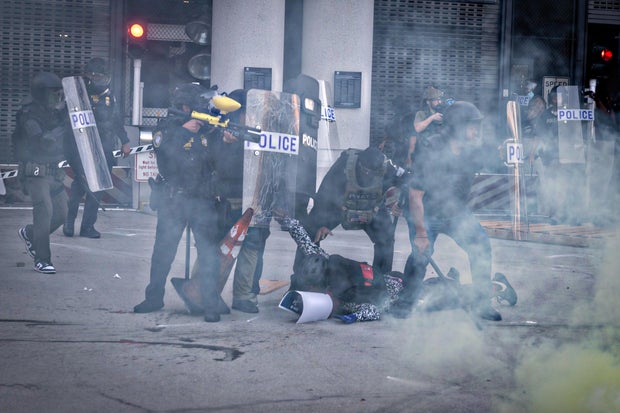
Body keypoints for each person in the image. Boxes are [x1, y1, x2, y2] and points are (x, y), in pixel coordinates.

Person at [133, 83, 234, 322]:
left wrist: (227, 143)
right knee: (163, 252)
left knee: (208, 253)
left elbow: (219, 163)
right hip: (173, 199)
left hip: (202, 200)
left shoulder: (209, 129)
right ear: (186, 106)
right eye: (200, 103)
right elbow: (162, 153)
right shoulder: (167, 127)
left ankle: (209, 302)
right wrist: (183, 132)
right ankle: (154, 297)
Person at [396, 101, 503, 321]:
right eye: (472, 126)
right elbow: (415, 195)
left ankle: (482, 304)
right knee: (421, 254)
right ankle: (404, 303)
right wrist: (421, 234)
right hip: (427, 212)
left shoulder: (472, 151)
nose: (476, 131)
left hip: (455, 211)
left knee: (480, 246)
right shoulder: (433, 150)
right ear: (457, 127)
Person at [186, 89, 270, 314]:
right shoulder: (215, 131)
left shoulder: (254, 131)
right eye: (246, 112)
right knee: (212, 247)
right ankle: (199, 292)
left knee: (252, 245)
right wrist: (226, 143)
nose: (249, 116)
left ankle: (243, 296)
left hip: (250, 200)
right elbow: (210, 163)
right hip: (222, 200)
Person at [293, 146, 401, 277]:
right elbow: (324, 193)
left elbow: (405, 183)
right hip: (339, 207)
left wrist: (396, 202)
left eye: (373, 172)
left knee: (387, 239)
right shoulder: (343, 166)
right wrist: (321, 222)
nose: (368, 175)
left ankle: (381, 282)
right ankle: (302, 279)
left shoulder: (387, 168)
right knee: (310, 233)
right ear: (359, 164)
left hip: (371, 208)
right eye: (366, 171)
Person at [276, 212, 403, 322]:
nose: (309, 288)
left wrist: (354, 317)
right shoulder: (325, 260)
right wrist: (287, 219)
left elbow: (374, 309)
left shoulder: (346, 294)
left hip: (389, 290)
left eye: (311, 286)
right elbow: (304, 241)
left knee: (399, 305)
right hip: (381, 279)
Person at [63, 57, 131, 238]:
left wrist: (124, 141)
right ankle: (68, 224)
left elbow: (116, 121)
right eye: (98, 77)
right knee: (79, 185)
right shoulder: (78, 95)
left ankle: (87, 227)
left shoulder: (110, 96)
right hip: (82, 147)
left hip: (104, 147)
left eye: (104, 77)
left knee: (98, 187)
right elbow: (68, 124)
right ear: (89, 76)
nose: (101, 81)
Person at [15, 72, 71, 274]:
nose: (58, 98)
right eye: (54, 94)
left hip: (53, 171)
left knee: (62, 213)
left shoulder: (55, 112)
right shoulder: (28, 114)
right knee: (44, 212)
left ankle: (30, 234)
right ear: (41, 94)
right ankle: (42, 259)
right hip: (35, 171)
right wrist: (65, 125)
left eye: (60, 94)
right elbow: (43, 140)